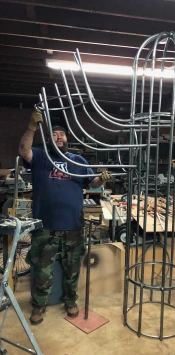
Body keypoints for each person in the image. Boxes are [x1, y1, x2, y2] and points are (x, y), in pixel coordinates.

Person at [18, 108, 112, 325]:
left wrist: (102, 178)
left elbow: (93, 183)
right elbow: (24, 150)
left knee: (72, 268)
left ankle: (70, 300)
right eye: (54, 134)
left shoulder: (77, 160)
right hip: (45, 226)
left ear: (67, 139)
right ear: (48, 139)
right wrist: (32, 126)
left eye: (62, 134)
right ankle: (39, 305)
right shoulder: (40, 156)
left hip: (73, 226)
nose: (59, 137)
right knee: (42, 269)